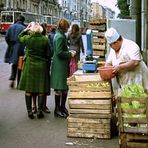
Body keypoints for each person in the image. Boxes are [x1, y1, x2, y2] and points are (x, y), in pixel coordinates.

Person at [18, 22, 51, 119]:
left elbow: (19, 37)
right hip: (41, 66)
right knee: (41, 89)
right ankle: (40, 111)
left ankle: (30, 112)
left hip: (29, 66)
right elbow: (49, 54)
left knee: (29, 89)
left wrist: (25, 30)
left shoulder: (28, 39)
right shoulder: (45, 40)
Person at [104, 27, 148, 92]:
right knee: (127, 98)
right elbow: (108, 63)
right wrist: (105, 71)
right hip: (125, 79)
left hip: (136, 77)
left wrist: (120, 67)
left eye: (111, 45)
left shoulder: (131, 45)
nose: (110, 47)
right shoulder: (113, 50)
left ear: (116, 42)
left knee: (139, 97)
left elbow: (135, 62)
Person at [50, 18, 76, 118]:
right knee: (60, 89)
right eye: (67, 26)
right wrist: (70, 53)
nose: (68, 28)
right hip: (60, 66)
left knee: (64, 88)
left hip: (61, 65)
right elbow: (59, 52)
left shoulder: (60, 35)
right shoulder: (60, 37)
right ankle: (57, 110)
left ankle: (62, 107)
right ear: (64, 27)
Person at [31, 22, 51, 114]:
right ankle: (42, 106)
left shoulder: (31, 38)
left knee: (34, 87)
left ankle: (34, 106)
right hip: (44, 65)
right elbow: (49, 54)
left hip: (32, 65)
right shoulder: (46, 39)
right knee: (44, 87)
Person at [5, 15, 26, 88]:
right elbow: (25, 39)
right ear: (23, 21)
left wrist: (10, 44)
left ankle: (13, 79)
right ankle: (19, 83)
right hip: (21, 48)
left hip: (13, 48)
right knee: (20, 65)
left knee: (14, 64)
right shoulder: (23, 28)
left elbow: (7, 37)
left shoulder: (11, 27)